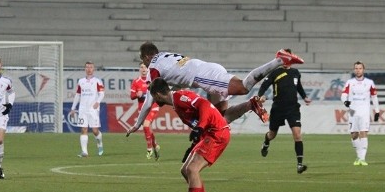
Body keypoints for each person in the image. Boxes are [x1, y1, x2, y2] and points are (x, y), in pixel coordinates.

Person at [126, 41, 304, 136]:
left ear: (148, 56)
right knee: (220, 119)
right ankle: (251, 105)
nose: (144, 63)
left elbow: (151, 97)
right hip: (208, 69)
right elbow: (175, 81)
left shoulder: (153, 67)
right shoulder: (165, 57)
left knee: (243, 87)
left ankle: (279, 60)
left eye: (143, 59)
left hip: (204, 76)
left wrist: (137, 123)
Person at [148, 77, 229, 192]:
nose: (154, 101)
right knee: (186, 170)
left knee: (192, 169)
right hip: (209, 134)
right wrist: (193, 145)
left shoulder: (179, 97)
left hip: (216, 133)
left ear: (158, 95)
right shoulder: (177, 103)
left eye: (153, 97)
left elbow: (203, 104)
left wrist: (200, 127)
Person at [257, 49, 311, 174]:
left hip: (293, 108)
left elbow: (299, 87)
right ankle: (266, 142)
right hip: (278, 108)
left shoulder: (296, 72)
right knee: (272, 134)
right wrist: (261, 96)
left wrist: (305, 97)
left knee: (297, 135)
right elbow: (264, 85)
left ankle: (299, 165)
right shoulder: (275, 73)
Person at [341, 61, 380, 166]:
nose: (358, 70)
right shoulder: (350, 82)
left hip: (364, 111)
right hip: (353, 111)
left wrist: (377, 110)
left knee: (363, 133)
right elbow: (343, 94)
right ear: (354, 70)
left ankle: (362, 158)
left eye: (360, 68)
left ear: (363, 70)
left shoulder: (369, 82)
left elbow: (374, 97)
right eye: (356, 68)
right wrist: (345, 101)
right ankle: (359, 156)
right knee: (354, 135)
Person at [70, 61, 105, 157]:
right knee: (84, 129)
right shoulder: (81, 81)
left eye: (91, 67)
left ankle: (100, 143)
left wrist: (97, 102)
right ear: (85, 69)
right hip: (83, 109)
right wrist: (73, 108)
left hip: (93, 109)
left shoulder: (97, 81)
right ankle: (84, 152)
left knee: (95, 130)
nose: (89, 69)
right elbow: (77, 95)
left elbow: (102, 93)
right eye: (87, 67)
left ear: (94, 69)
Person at [130, 62, 161, 160]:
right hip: (142, 108)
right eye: (141, 67)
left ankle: (149, 149)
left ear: (148, 69)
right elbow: (132, 96)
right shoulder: (136, 82)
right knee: (148, 129)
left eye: (145, 67)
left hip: (153, 106)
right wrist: (136, 95)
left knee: (146, 125)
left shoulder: (153, 80)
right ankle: (155, 145)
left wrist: (142, 94)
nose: (143, 69)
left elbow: (157, 94)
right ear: (139, 69)